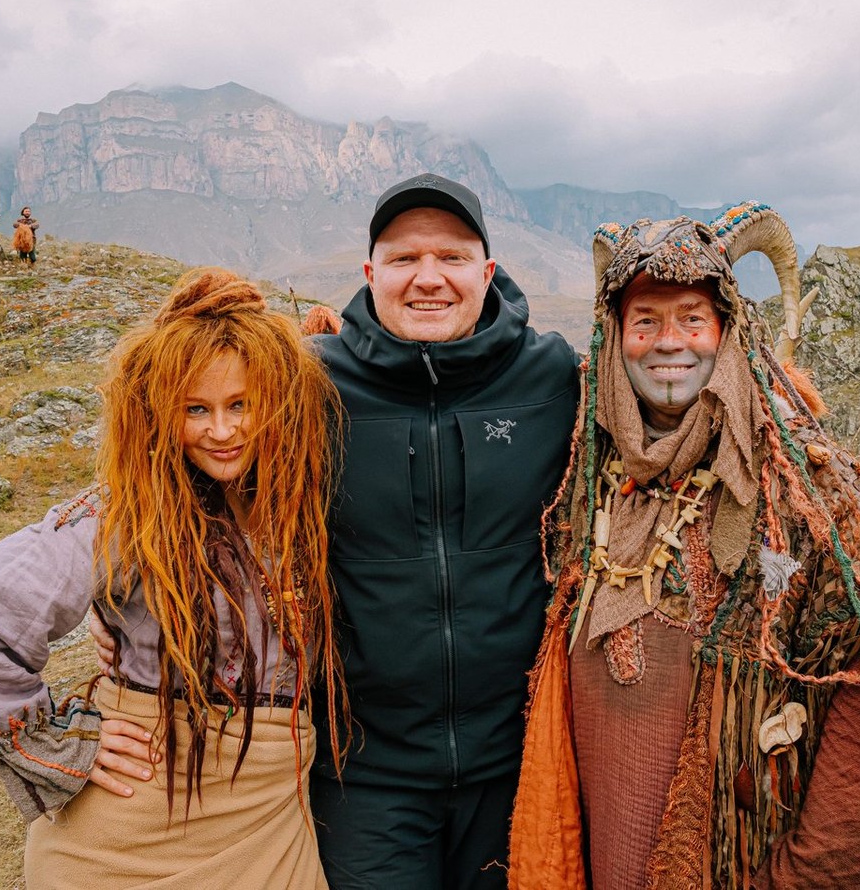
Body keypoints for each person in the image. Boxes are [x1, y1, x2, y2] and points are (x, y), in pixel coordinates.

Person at [91, 173, 579, 887]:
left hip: (521, 762)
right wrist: (118, 606)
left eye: (451, 257)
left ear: (488, 272)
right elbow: (185, 462)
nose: (428, 279)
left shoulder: (554, 376)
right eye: (404, 259)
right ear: (370, 273)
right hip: (362, 775)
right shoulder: (305, 383)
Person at [508, 207, 860, 890]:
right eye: (645, 321)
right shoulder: (582, 480)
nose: (670, 342)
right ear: (614, 338)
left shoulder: (809, 495)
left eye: (692, 318)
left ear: (728, 331)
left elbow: (858, 759)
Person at [0, 267, 348, 889]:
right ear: (157, 411)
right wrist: (67, 743)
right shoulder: (128, 513)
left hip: (271, 824)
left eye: (240, 406)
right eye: (195, 409)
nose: (222, 432)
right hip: (133, 834)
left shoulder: (297, 498)